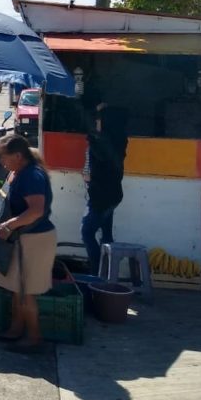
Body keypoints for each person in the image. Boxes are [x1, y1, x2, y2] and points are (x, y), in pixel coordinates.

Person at [0, 133, 57, 352]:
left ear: (18, 155)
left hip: (34, 240)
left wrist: (9, 225)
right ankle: (16, 329)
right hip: (23, 238)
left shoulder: (32, 176)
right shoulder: (18, 172)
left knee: (26, 291)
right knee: (17, 288)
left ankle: (34, 337)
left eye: (4, 157)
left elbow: (36, 210)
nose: (1, 162)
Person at [82, 103, 128, 275]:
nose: (97, 121)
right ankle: (106, 273)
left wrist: (92, 136)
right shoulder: (119, 138)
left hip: (101, 195)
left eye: (100, 118)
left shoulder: (102, 141)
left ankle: (96, 272)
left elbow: (100, 157)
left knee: (87, 232)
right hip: (113, 194)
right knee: (106, 235)